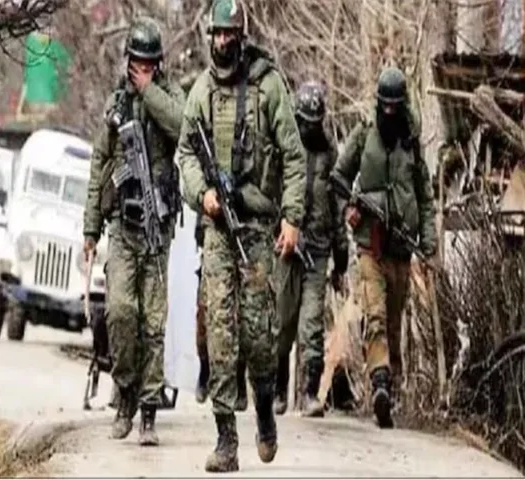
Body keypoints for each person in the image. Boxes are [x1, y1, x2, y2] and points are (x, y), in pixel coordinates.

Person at [177, 0, 307, 472]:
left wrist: (292, 218)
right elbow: (185, 154)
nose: (223, 41)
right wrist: (203, 194)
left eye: (230, 34)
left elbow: (294, 157)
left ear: (241, 36)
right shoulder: (202, 91)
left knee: (258, 337)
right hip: (217, 230)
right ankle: (225, 438)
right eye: (217, 33)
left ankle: (266, 411)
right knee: (220, 334)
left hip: (256, 230)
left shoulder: (268, 87)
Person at [82, 15, 185, 446]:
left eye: (149, 64)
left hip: (157, 227)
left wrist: (149, 92)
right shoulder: (115, 104)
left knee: (153, 322)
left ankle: (148, 411)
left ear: (158, 65)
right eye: (136, 63)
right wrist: (90, 229)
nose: (141, 70)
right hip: (123, 227)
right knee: (121, 313)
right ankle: (124, 390)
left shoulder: (170, 95)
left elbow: (181, 125)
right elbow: (98, 164)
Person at [330, 66, 437, 429]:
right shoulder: (364, 134)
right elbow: (339, 176)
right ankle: (378, 381)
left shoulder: (412, 142)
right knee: (374, 314)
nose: (389, 112)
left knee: (393, 323)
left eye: (395, 106)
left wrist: (429, 245)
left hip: (402, 247)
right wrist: (350, 207)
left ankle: (391, 388)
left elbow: (425, 198)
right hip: (370, 245)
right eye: (384, 106)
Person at [273, 80, 349, 417]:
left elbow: (337, 205)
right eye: (305, 122)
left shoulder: (329, 153)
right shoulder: (283, 147)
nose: (309, 129)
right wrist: (278, 229)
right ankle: (279, 389)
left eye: (314, 123)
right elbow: (270, 193)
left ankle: (308, 393)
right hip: (286, 247)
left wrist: (341, 255)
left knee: (311, 323)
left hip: (318, 248)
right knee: (282, 322)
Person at [194, 213, 248, 411]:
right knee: (206, 316)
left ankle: (239, 378)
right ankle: (205, 369)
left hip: (246, 241)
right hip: (214, 239)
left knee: (243, 318)